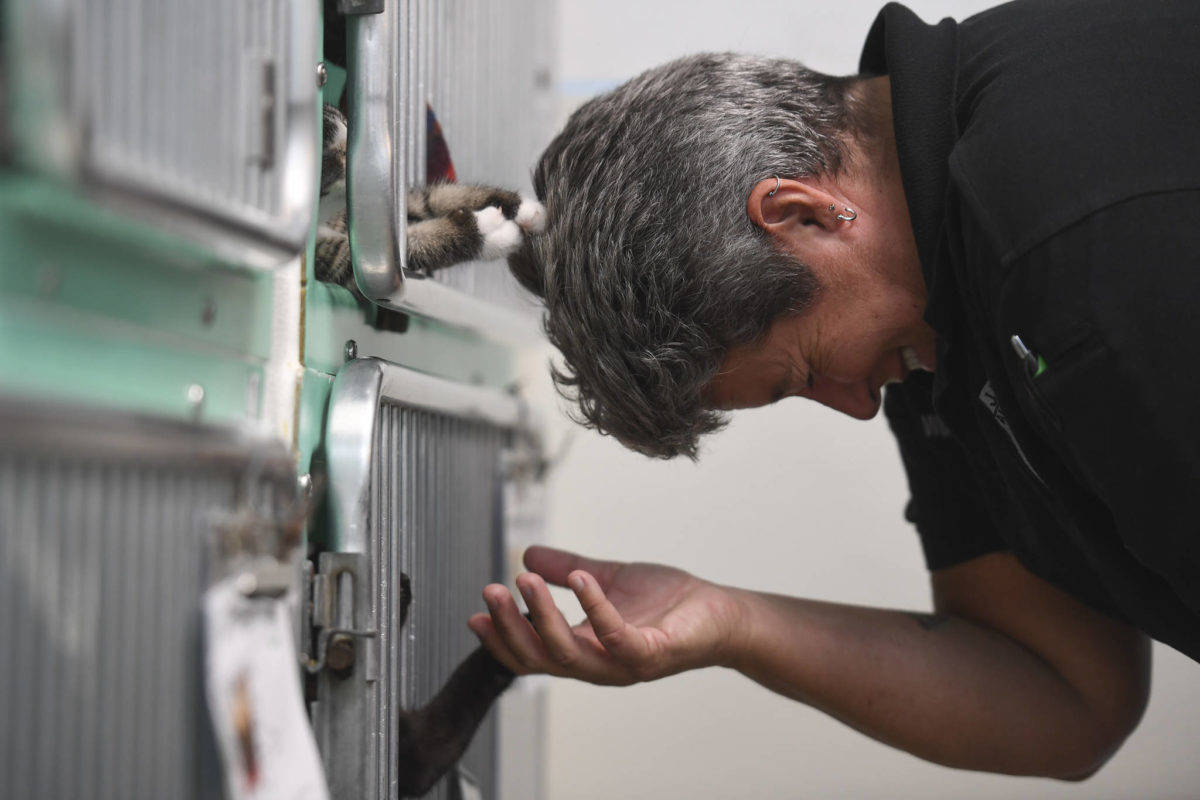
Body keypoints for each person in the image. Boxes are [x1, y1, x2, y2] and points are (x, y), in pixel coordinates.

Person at [470, 0, 1200, 780]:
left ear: (801, 214)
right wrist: (730, 622)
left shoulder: (1087, 249)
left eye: (808, 373)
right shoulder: (928, 301)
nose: (859, 405)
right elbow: (1069, 699)